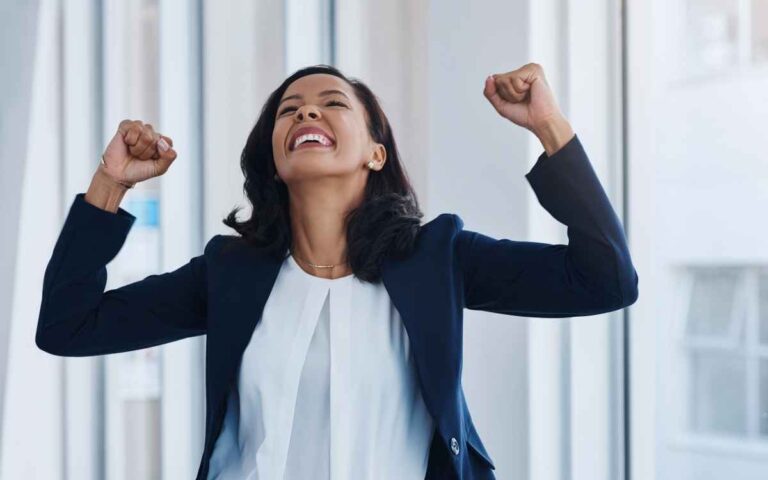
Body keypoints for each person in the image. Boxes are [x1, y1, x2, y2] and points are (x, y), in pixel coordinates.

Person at [36, 63, 639, 480]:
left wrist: (548, 126)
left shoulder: (440, 258)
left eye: (331, 104)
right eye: (289, 111)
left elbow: (605, 280)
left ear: (376, 153)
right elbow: (68, 326)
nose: (305, 114)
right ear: (273, 160)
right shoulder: (230, 273)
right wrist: (110, 184)